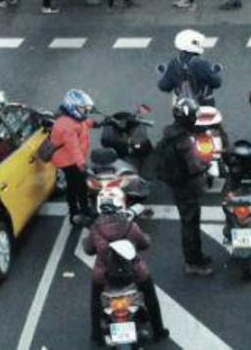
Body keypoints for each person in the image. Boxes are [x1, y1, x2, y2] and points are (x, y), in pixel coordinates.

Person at [85, 188, 168, 343]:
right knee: (151, 298)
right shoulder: (131, 227)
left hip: (103, 277)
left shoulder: (96, 229)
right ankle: (159, 331)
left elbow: (88, 250)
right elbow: (144, 243)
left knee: (95, 303)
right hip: (135, 274)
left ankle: (96, 336)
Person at [155, 99, 214, 275]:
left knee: (189, 223)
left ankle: (197, 257)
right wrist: (206, 164)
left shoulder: (170, 133)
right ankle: (193, 262)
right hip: (187, 187)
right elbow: (194, 166)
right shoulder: (184, 141)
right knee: (190, 225)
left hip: (177, 185)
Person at [48, 88, 96, 223]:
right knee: (75, 186)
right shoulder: (67, 127)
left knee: (80, 185)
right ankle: (74, 213)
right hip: (67, 161)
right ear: (72, 107)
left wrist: (96, 123)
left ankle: (84, 209)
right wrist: (83, 166)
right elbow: (73, 148)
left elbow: (83, 123)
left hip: (73, 158)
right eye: (82, 109)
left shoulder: (72, 118)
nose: (84, 111)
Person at [158, 29, 223, 104]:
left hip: (181, 108)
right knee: (213, 113)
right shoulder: (202, 64)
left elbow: (164, 86)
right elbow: (216, 83)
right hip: (203, 104)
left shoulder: (174, 64)